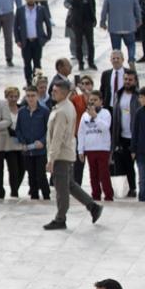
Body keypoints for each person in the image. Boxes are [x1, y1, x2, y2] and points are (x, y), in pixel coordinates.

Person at [43, 79, 103, 230]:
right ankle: (92, 206)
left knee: (61, 188)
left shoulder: (63, 110)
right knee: (70, 185)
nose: (52, 93)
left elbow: (57, 137)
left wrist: (51, 158)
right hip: (66, 152)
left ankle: (60, 218)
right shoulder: (65, 106)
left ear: (64, 93)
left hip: (61, 155)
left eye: (55, 91)